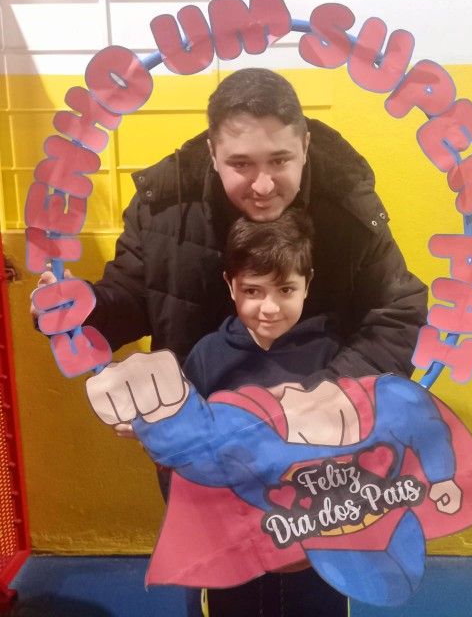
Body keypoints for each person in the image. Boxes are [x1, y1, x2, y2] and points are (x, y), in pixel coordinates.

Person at [80, 67, 427, 382]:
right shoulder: (163, 207)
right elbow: (130, 299)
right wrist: (79, 307)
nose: (263, 186)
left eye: (279, 160)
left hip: (320, 424)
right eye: (241, 164)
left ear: (305, 146)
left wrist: (335, 393)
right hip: (197, 419)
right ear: (213, 154)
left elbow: (399, 312)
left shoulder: (347, 203)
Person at [179, 209, 346, 617]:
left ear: (308, 284)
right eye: (253, 291)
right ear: (230, 285)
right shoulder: (207, 357)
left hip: (316, 542)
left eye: (285, 289)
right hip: (233, 541)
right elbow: (186, 448)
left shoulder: (332, 355)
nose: (269, 308)